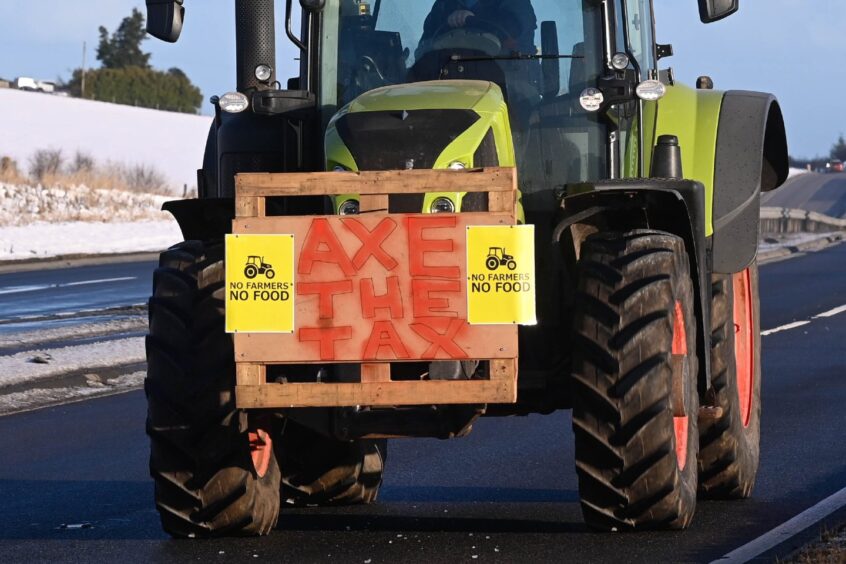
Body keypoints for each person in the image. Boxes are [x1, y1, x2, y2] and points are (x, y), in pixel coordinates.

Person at [419, 0, 537, 55]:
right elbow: (424, 47)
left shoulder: (517, 3)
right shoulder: (443, 5)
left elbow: (513, 26)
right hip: (449, 81)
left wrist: (473, 20)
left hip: (511, 81)